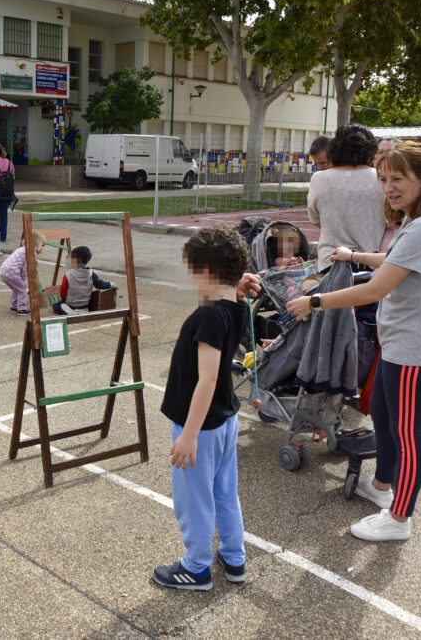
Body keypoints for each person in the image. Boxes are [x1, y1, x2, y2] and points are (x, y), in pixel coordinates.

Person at [287, 141, 421, 542]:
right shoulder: (420, 220)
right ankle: (380, 488)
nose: (389, 187)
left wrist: (314, 301)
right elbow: (395, 259)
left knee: (407, 436)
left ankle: (399, 519)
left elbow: (373, 291)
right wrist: (354, 256)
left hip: (416, 352)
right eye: (383, 179)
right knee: (381, 416)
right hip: (400, 347)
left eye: (398, 178)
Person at [152, 226, 250, 591]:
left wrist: (189, 435)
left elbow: (206, 379)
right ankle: (234, 557)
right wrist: (238, 287)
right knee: (225, 491)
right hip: (224, 420)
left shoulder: (209, 317)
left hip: (202, 427)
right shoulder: (234, 306)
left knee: (194, 498)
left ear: (206, 273)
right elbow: (230, 296)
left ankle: (196, 567)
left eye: (193, 271)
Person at [307, 123, 385, 271]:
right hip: (371, 262)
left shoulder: (320, 179)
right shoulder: (382, 178)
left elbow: (315, 219)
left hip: (330, 262)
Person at [52, 245, 116, 314]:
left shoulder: (68, 274)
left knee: (55, 306)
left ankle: (70, 312)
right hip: (84, 305)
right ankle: (81, 310)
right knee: (73, 305)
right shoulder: (91, 274)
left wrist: (64, 298)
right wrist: (112, 284)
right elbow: (100, 285)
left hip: (71, 303)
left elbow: (63, 291)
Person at [0, 231, 45, 315]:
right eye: (42, 246)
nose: (43, 248)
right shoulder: (31, 253)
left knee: (16, 289)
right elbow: (25, 268)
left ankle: (14, 306)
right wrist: (23, 281)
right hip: (12, 273)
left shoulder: (22, 249)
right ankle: (22, 309)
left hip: (4, 272)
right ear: (36, 244)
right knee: (22, 289)